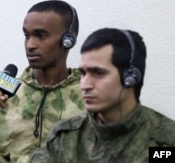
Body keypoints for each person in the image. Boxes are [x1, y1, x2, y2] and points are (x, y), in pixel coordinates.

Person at [0, 0, 84, 163]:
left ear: (68, 40)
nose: (30, 45)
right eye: (27, 35)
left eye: (41, 35)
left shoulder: (89, 96)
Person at [30, 28, 175, 162]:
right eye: (83, 73)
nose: (85, 85)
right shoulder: (66, 137)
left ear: (130, 77)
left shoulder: (165, 141)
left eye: (98, 73)